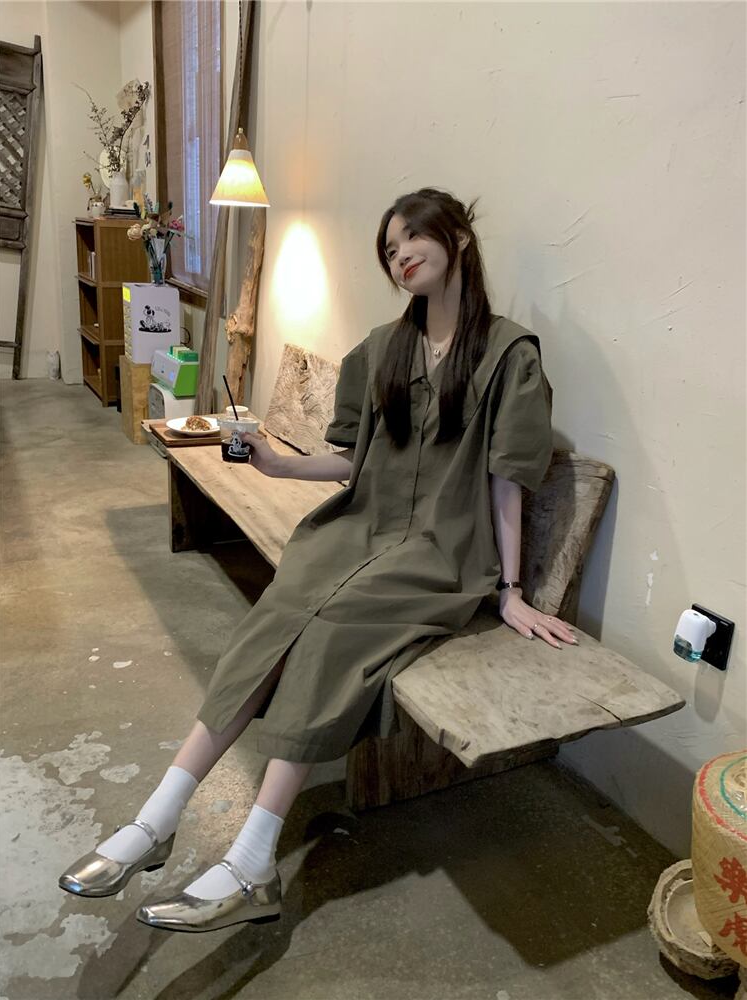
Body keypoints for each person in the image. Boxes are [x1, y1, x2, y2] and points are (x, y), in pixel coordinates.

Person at [59, 187, 577, 933]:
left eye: (413, 237)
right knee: (282, 608)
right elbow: (351, 463)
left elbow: (508, 479)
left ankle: (253, 858)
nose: (400, 255)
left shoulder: (508, 355)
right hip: (358, 530)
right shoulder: (383, 349)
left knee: (331, 624)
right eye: (389, 248)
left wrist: (513, 590)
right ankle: (158, 816)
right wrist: (275, 464)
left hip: (443, 553)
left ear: (460, 238)